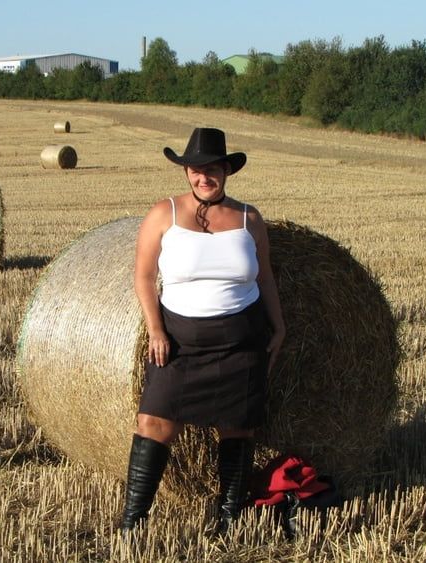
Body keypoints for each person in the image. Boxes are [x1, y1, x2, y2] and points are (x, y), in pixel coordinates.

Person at [119, 127, 286, 534]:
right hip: (179, 340)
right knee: (153, 423)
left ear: (226, 170)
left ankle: (228, 517)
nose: (203, 177)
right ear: (186, 171)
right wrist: (155, 330)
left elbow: (264, 278)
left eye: (211, 169)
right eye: (195, 169)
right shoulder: (165, 213)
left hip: (241, 339)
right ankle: (132, 522)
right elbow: (143, 277)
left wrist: (279, 327)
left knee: (238, 426)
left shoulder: (250, 218)